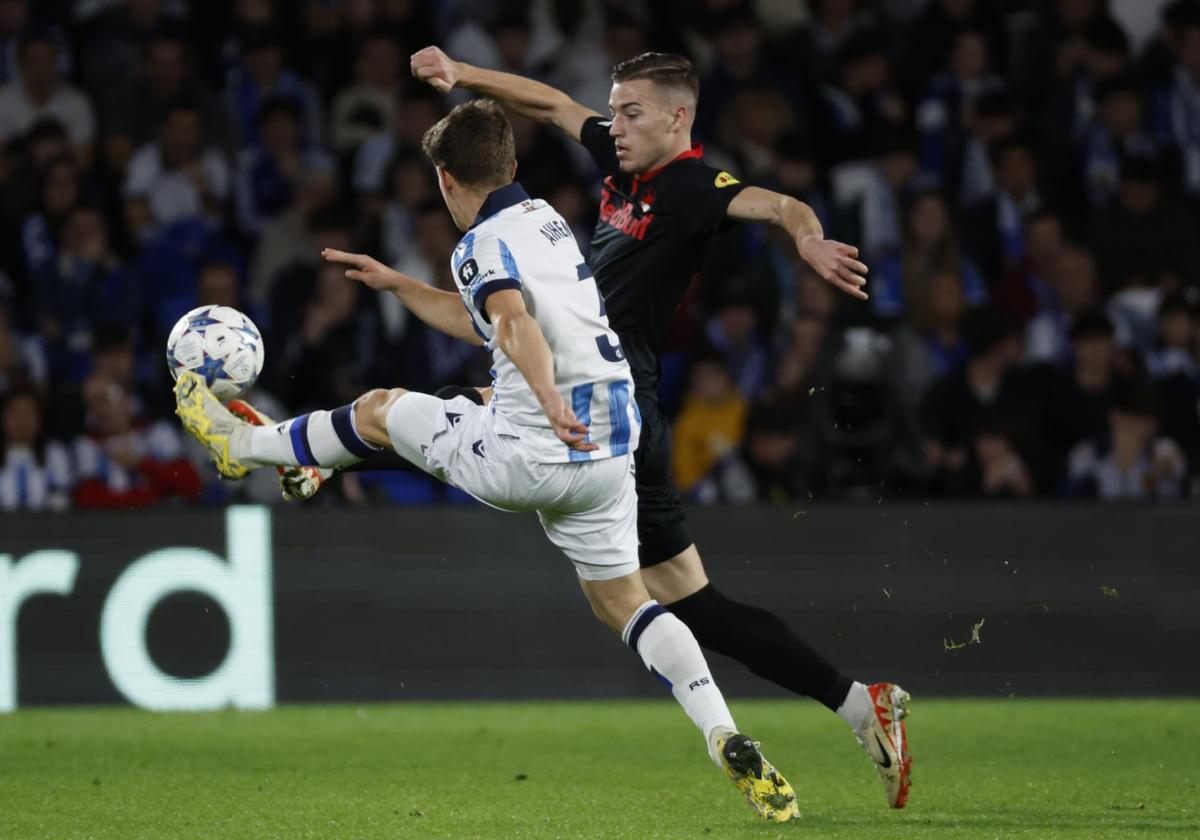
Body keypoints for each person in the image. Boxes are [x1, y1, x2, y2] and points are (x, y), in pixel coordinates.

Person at [174, 99, 800, 823]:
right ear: (511, 166)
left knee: (379, 407)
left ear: (445, 179)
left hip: (532, 451)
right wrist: (398, 283)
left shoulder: (478, 247)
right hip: (608, 454)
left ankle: (242, 446)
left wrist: (543, 396)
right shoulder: (547, 224)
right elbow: (489, 317)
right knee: (625, 604)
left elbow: (510, 322)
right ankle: (723, 730)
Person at [407, 46, 911, 807]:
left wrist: (806, 237)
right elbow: (547, 104)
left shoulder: (690, 186)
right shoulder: (623, 172)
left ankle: (320, 458)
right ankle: (857, 703)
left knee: (454, 411)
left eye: (632, 112)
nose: (615, 124)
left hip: (615, 406)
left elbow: (776, 205)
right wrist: (461, 73)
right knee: (696, 604)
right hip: (604, 393)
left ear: (680, 119)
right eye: (614, 109)